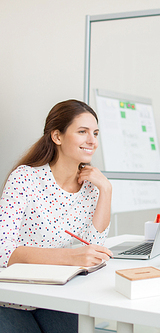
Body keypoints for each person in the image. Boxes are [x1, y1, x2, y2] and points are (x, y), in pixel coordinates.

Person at [0, 99, 113, 332]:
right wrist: (71, 257)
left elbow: (95, 248)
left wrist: (106, 190)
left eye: (95, 133)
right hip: (13, 298)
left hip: (58, 296)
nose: (92, 140)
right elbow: (3, 251)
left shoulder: (91, 186)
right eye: (82, 132)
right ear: (57, 137)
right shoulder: (25, 179)